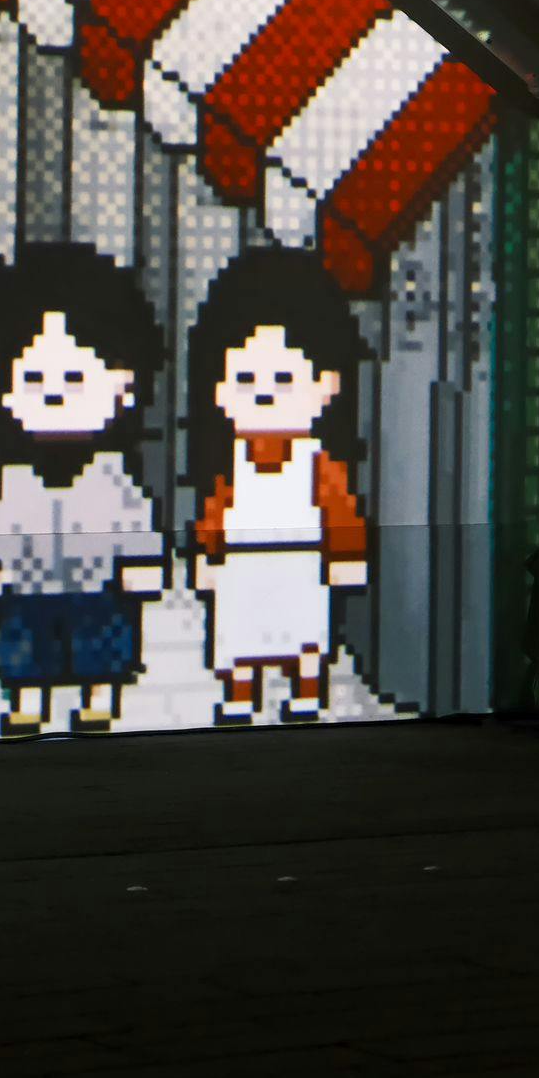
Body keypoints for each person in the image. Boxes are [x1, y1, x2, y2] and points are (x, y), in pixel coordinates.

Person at [0, 242, 166, 738]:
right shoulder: (14, 476)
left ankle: (99, 700)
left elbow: (132, 521)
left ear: (123, 384)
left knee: (102, 645)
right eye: (34, 378)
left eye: (74, 378)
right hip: (28, 588)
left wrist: (140, 564)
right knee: (23, 647)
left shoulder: (112, 472)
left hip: (97, 587)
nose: (53, 395)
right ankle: (27, 705)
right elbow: (3, 524)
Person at [185, 247, 369, 725]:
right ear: (219, 389)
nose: (264, 393)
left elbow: (339, 509)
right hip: (242, 569)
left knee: (303, 634)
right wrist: (208, 555)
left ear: (327, 385)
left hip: (300, 567)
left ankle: (306, 692)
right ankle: (240, 695)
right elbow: (215, 510)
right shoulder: (231, 463)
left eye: (284, 378)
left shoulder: (317, 463)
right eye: (246, 378)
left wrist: (346, 556)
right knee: (240, 636)